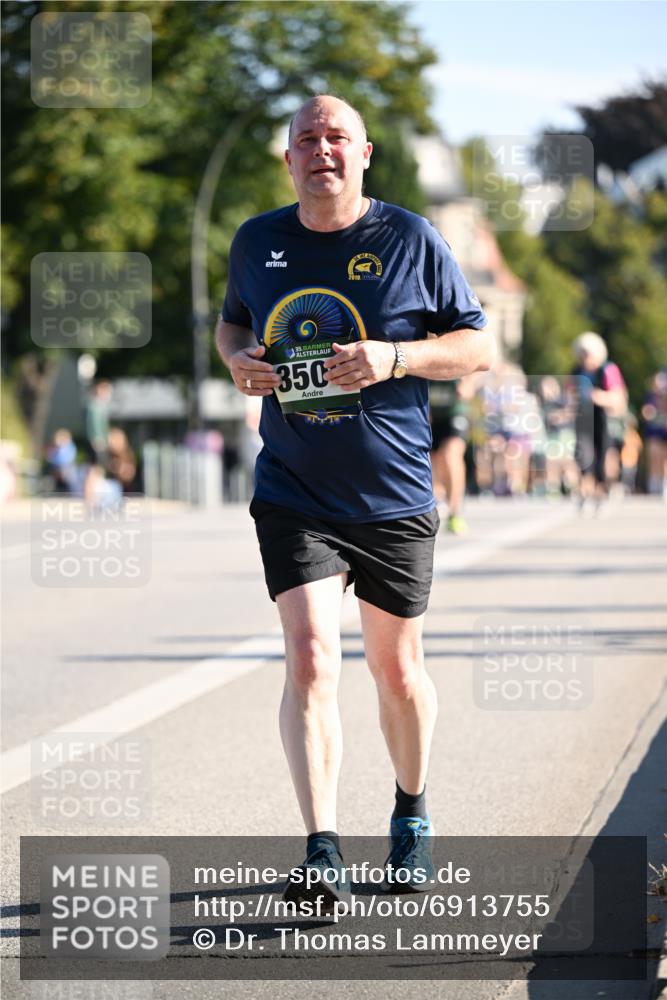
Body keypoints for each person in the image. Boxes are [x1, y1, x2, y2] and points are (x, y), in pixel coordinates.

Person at [214, 95, 493, 906]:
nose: (321, 150)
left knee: (396, 670)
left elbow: (476, 344)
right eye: (307, 139)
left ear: (364, 153)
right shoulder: (256, 241)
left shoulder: (409, 238)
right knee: (308, 657)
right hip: (293, 487)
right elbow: (233, 326)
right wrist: (240, 361)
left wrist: (395, 357)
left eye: (336, 137)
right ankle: (321, 847)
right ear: (289, 160)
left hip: (392, 492)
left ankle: (409, 810)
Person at [567, 332, 627, 515]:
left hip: (603, 419)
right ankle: (585, 493)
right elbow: (569, 394)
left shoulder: (607, 370)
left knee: (601, 457)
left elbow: (619, 398)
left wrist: (598, 396)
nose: (585, 358)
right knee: (583, 457)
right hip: (582, 419)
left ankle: (601, 494)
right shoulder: (576, 371)